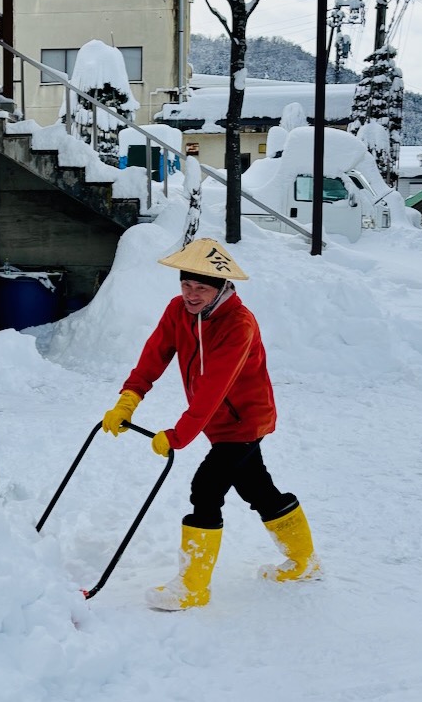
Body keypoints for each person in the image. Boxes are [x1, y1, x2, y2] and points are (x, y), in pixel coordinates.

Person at [101, 237, 318, 611]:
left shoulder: (238, 324)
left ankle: (193, 586)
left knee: (206, 489)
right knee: (258, 490)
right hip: (218, 422)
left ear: (221, 287)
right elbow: (154, 356)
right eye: (186, 285)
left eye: (201, 287)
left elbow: (214, 388)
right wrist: (129, 399)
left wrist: (178, 436)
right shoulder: (177, 311)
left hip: (245, 420)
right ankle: (303, 561)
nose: (191, 294)